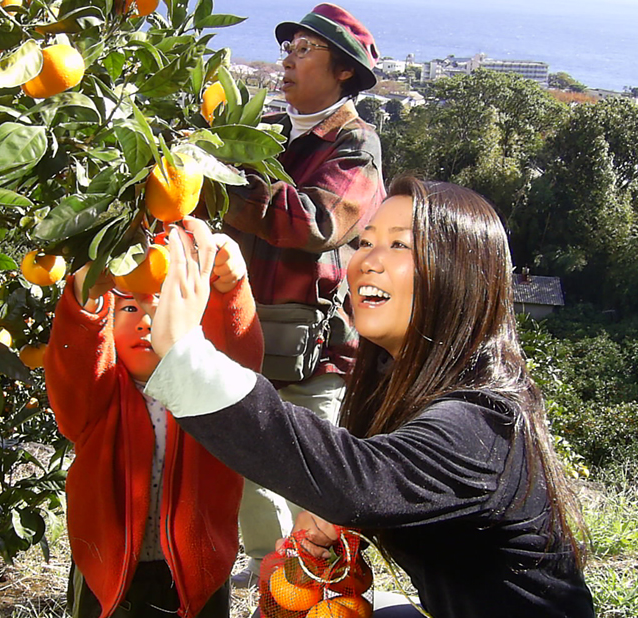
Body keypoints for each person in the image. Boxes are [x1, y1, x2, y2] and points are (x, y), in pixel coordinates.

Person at [142, 173, 597, 618]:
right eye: (363, 242)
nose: (366, 261)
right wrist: (332, 519)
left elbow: (356, 482)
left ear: (462, 275)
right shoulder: (398, 388)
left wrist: (188, 359)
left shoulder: (482, 423)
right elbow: (365, 479)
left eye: (399, 244)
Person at [221, 2, 387, 586]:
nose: (287, 62)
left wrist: (218, 182)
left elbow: (314, 222)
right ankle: (267, 560)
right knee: (245, 453)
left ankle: (330, 581)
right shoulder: (268, 138)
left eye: (303, 50)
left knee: (314, 470)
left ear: (343, 70)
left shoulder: (353, 146)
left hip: (314, 345)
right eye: (287, 49)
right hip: (251, 329)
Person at [43, 237, 264, 618]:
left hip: (198, 574)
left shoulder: (205, 393)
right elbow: (74, 370)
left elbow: (239, 355)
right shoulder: (99, 398)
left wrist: (230, 290)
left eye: (161, 304)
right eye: (128, 306)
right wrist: (85, 307)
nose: (146, 320)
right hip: (107, 576)